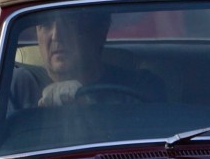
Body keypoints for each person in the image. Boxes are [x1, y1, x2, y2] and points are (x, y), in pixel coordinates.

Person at [10, 9, 157, 109]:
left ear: (101, 30)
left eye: (69, 23)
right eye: (46, 25)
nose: (56, 36)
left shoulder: (138, 87)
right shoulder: (19, 85)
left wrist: (87, 106)